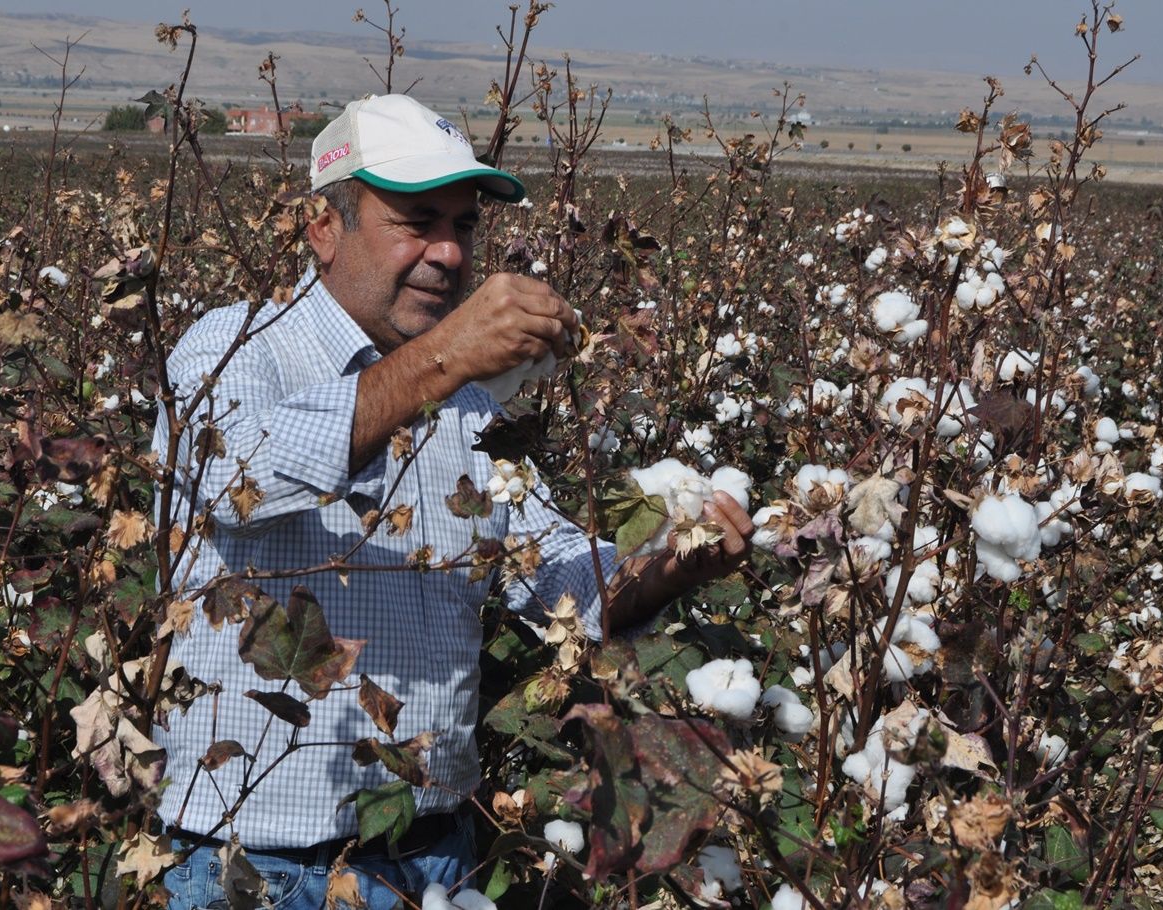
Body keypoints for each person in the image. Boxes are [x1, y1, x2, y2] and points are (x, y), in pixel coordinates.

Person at [155, 94, 755, 909]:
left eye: (463, 226)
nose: (447, 252)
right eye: (416, 220)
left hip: (436, 858)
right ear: (322, 225)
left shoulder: (467, 407)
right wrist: (447, 356)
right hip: (258, 868)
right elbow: (240, 478)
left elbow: (558, 584)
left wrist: (674, 561)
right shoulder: (237, 351)